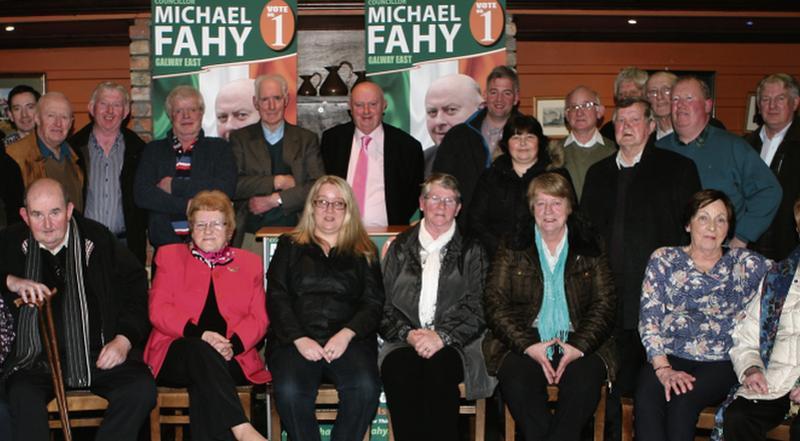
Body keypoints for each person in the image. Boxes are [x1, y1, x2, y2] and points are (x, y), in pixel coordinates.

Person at [581, 97, 702, 440]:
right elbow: (585, 236)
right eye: (621, 121)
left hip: (658, 302)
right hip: (606, 298)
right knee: (610, 386)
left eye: (635, 120)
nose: (627, 127)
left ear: (651, 126)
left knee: (650, 389)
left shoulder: (678, 169)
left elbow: (688, 236)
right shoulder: (597, 174)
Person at [0, 178, 155, 441]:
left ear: (70, 210)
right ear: (25, 216)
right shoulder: (10, 241)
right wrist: (10, 281)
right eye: (37, 215)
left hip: (97, 354)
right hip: (35, 362)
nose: (47, 225)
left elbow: (136, 289)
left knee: (140, 388)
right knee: (20, 397)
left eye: (55, 213)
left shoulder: (99, 239)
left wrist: (124, 340)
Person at [484, 172, 616, 441]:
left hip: (580, 337)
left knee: (582, 384)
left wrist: (577, 347)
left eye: (556, 203)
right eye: (541, 203)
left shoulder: (590, 243)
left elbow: (605, 303)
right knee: (518, 383)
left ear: (569, 207)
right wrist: (528, 346)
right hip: (524, 338)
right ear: (532, 207)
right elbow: (494, 303)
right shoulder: (513, 245)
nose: (548, 212)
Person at [635, 189, 770, 441]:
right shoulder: (664, 259)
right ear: (688, 224)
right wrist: (663, 368)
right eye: (703, 218)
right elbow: (649, 320)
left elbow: (788, 279)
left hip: (720, 361)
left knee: (683, 402)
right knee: (647, 397)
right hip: (668, 355)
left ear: (728, 228)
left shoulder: (746, 264)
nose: (712, 227)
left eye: (721, 219)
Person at [144, 190, 269, 441]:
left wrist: (232, 346)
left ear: (230, 230)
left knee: (206, 379)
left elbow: (259, 318)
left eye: (216, 224)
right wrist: (201, 335)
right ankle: (242, 429)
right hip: (177, 352)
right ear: (191, 229)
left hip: (232, 355)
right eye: (201, 224)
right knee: (201, 352)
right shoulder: (170, 256)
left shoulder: (249, 264)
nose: (208, 230)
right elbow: (159, 310)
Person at [266, 175, 383, 441]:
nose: (329, 210)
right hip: (295, 340)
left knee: (365, 388)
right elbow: (277, 297)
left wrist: (346, 334)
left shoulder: (364, 251)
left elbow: (373, 303)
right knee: (290, 390)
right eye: (322, 202)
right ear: (311, 207)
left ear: (348, 209)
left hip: (349, 341)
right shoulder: (290, 245)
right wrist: (299, 338)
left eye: (338, 203)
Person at [380, 173, 494, 441]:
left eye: (449, 200)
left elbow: (479, 305)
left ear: (459, 207)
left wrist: (441, 336)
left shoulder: (473, 249)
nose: (441, 206)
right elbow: (381, 303)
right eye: (434, 198)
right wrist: (408, 333)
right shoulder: (399, 247)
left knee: (438, 371)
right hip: (404, 340)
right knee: (398, 369)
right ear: (421, 203)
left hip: (457, 344)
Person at [657, 76, 782, 249]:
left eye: (689, 98)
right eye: (675, 99)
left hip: (719, 255)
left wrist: (742, 236)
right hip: (670, 255)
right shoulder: (658, 150)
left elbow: (769, 191)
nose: (680, 105)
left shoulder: (733, 147)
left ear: (708, 105)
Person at [712, 199, 800, 441]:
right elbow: (745, 337)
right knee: (738, 417)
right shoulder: (778, 278)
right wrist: (751, 369)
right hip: (775, 381)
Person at [134, 85, 236, 253]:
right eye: (179, 111)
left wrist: (174, 186)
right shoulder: (153, 150)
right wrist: (187, 205)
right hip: (166, 246)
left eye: (192, 109)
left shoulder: (219, 149)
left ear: (201, 113)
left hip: (210, 246)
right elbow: (142, 194)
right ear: (170, 115)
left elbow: (226, 189)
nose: (186, 116)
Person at [229, 74, 324, 252]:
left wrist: (276, 200)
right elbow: (233, 185)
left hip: (298, 235)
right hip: (251, 236)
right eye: (265, 100)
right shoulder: (239, 139)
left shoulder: (306, 139)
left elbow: (317, 187)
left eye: (277, 98)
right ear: (255, 102)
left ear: (286, 100)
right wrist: (278, 181)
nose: (271, 106)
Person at [321, 81, 423, 227]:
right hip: (338, 234)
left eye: (373, 104)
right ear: (350, 106)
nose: (366, 111)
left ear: (384, 105)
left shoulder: (407, 147)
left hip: (388, 237)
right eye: (359, 105)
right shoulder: (332, 141)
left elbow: (413, 196)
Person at [68, 81, 148, 265]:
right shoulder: (72, 150)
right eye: (103, 104)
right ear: (91, 108)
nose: (110, 111)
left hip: (126, 245)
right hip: (82, 245)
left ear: (126, 111)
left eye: (117, 105)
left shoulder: (140, 151)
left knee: (126, 294)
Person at [469, 115, 570, 258]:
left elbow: (572, 219)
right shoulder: (490, 177)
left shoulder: (557, 175)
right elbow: (475, 222)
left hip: (547, 258)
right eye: (516, 138)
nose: (523, 143)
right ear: (506, 144)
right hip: (497, 260)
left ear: (539, 142)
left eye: (530, 137)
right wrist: (501, 250)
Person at [433, 66, 524, 224]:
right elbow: (439, 184)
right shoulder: (457, 137)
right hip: (465, 230)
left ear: (516, 98)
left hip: (514, 231)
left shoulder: (529, 136)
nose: (499, 99)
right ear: (485, 96)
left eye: (506, 93)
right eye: (494, 92)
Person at [745, 73, 800, 261]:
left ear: (795, 103)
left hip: (790, 247)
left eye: (780, 99)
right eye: (766, 99)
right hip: (748, 247)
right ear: (759, 106)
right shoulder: (744, 146)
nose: (772, 105)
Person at [6, 92, 84, 212]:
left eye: (64, 117)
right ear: (37, 118)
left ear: (71, 122)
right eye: (51, 116)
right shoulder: (12, 157)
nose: (58, 124)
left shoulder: (77, 157)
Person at [550, 86, 616, 201]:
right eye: (574, 107)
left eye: (586, 105)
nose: (579, 112)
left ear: (599, 111)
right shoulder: (553, 152)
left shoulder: (615, 150)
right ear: (566, 114)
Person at [422, 74, 483, 177]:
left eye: (451, 110)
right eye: (432, 112)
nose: (438, 121)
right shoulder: (419, 164)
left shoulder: (512, 159)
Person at [599, 67, 648, 141]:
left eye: (633, 93)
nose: (627, 99)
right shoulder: (608, 132)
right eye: (622, 95)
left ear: (646, 95)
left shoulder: (658, 129)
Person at [645, 71, 678, 141]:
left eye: (666, 90)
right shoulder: (645, 140)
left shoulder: (694, 134)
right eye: (653, 92)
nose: (659, 97)